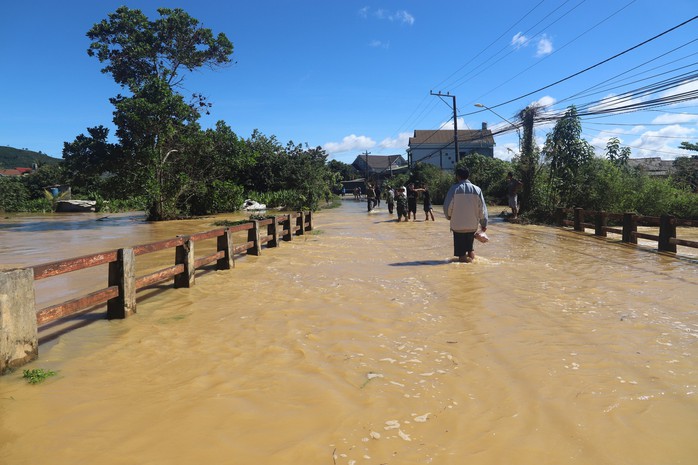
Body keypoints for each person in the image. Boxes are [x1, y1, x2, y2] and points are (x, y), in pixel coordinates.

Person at [443, 167, 488, 263]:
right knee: (470, 249)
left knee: (461, 255)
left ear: (457, 176)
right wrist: (484, 224)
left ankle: (464, 274)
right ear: (468, 176)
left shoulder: (454, 189)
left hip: (458, 226)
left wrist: (449, 216)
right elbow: (482, 209)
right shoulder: (477, 189)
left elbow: (447, 207)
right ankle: (472, 268)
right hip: (472, 226)